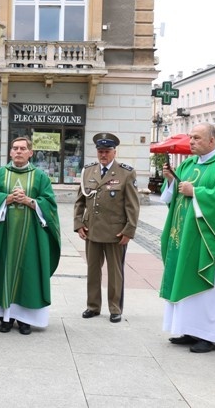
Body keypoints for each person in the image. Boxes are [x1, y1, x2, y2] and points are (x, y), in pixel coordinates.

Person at [159, 122, 215, 353]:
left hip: (211, 240)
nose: (191, 142)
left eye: (197, 138)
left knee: (211, 288)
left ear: (213, 141)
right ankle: (190, 330)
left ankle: (210, 336)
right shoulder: (188, 163)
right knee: (185, 281)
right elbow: (173, 197)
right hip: (185, 236)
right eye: (191, 137)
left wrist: (196, 192)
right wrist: (171, 180)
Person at [0, 136, 61, 335]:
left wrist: (30, 202)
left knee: (28, 274)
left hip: (30, 237)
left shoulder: (40, 177)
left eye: (23, 149)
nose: (18, 152)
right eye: (15, 148)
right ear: (10, 152)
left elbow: (49, 204)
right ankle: (6, 318)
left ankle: (25, 320)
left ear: (30, 153)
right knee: (2, 270)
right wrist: (5, 199)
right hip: (3, 236)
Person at [74, 132, 140, 323]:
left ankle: (115, 308)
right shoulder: (88, 171)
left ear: (114, 152)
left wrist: (129, 230)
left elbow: (132, 205)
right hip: (92, 230)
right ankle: (93, 306)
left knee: (115, 272)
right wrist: (79, 224)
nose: (103, 155)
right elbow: (80, 200)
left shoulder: (126, 173)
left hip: (115, 232)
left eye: (107, 151)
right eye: (100, 151)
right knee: (93, 270)